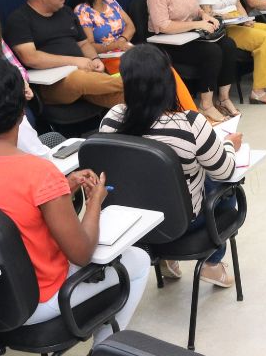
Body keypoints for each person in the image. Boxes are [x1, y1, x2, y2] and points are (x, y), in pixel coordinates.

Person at [0, 56, 150, 356]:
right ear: (20, 110)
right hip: (39, 300)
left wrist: (58, 191)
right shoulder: (37, 172)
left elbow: (3, 202)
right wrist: (94, 203)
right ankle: (104, 353)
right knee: (137, 261)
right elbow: (80, 253)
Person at [98, 45, 242, 288]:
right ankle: (212, 264)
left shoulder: (112, 118)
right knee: (224, 182)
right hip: (183, 223)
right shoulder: (190, 123)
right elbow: (225, 170)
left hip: (133, 222)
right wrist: (228, 145)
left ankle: (165, 260)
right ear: (168, 79)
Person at [5, 0, 124, 110]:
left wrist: (94, 59)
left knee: (131, 98)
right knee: (80, 78)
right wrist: (75, 62)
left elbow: (84, 43)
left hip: (89, 77)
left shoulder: (66, 12)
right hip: (52, 85)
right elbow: (30, 58)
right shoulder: (19, 19)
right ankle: (138, 80)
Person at [147, 0, 240, 122]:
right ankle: (206, 105)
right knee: (211, 52)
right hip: (167, 43)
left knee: (228, 45)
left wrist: (204, 15)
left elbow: (195, 9)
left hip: (189, 36)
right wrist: (197, 23)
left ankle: (224, 98)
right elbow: (163, 25)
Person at [69, 0, 136, 54]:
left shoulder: (109, 0)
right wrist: (116, 45)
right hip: (104, 57)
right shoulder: (82, 10)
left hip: (125, 49)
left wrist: (121, 41)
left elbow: (130, 26)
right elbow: (89, 46)